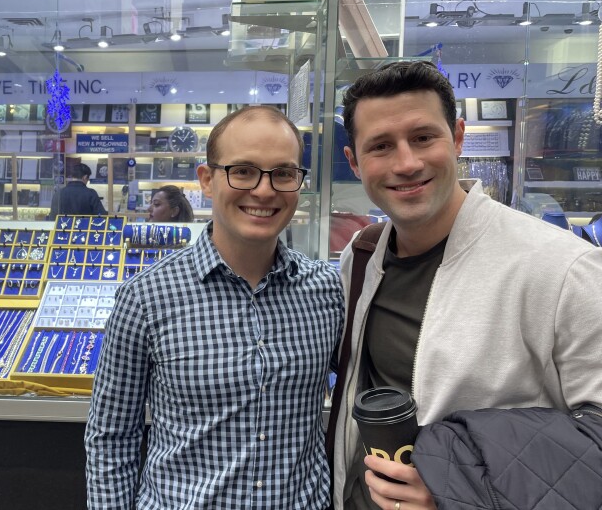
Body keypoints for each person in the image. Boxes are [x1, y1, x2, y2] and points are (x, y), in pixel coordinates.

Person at [333, 60, 602, 510]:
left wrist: (456, 489)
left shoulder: (563, 268)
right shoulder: (360, 258)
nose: (407, 162)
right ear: (354, 162)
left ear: (457, 137)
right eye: (381, 146)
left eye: (423, 138)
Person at [85, 106, 343, 508]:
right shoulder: (146, 297)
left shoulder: (326, 290)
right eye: (242, 170)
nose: (264, 190)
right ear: (206, 180)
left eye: (284, 173)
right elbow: (112, 436)